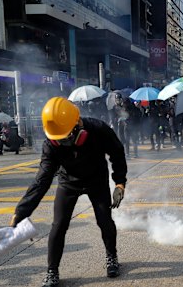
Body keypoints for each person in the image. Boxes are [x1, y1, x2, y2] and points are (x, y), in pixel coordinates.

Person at [9, 97, 127, 287]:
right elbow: (42, 180)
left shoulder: (98, 129)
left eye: (66, 137)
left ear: (77, 124)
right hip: (68, 183)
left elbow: (117, 153)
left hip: (96, 179)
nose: (62, 143)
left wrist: (120, 183)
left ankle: (112, 257)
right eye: (58, 139)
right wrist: (22, 211)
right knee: (58, 225)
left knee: (104, 220)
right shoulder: (51, 143)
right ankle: (52, 271)